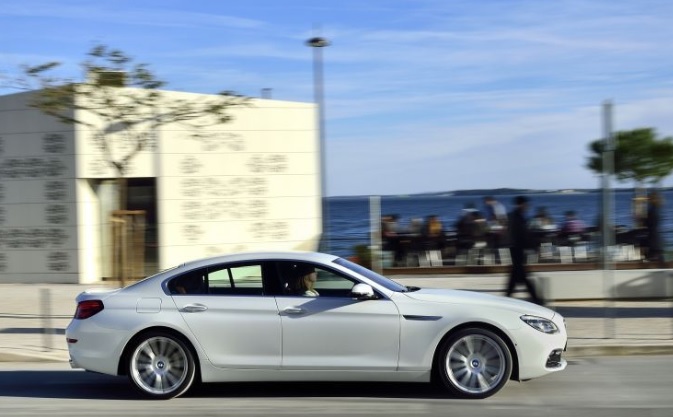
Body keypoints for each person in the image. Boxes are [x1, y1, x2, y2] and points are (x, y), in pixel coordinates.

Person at [505, 196, 543, 305]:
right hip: (517, 248)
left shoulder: (514, 216)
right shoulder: (518, 217)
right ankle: (536, 299)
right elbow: (523, 235)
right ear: (521, 204)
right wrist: (534, 247)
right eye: (526, 204)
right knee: (521, 275)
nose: (527, 206)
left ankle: (507, 297)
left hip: (514, 248)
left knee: (516, 275)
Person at [645, 190, 665, 265]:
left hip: (653, 240)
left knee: (651, 260)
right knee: (660, 262)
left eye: (649, 198)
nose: (648, 199)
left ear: (652, 199)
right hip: (658, 241)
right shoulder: (657, 209)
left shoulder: (652, 210)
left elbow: (648, 224)